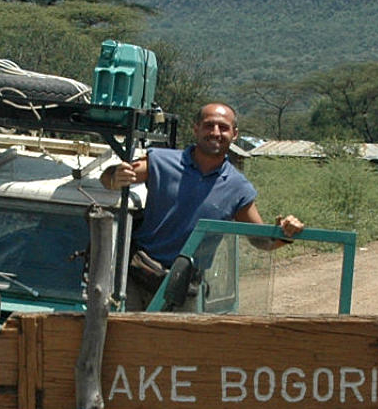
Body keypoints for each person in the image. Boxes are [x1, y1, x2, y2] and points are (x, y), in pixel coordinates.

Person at [99, 102, 304, 304]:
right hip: (136, 276)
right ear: (196, 129)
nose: (215, 132)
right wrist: (115, 176)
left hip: (184, 287)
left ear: (235, 134)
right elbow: (110, 178)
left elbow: (260, 240)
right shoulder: (161, 161)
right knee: (124, 335)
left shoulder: (238, 187)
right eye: (209, 125)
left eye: (223, 127)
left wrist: (285, 233)